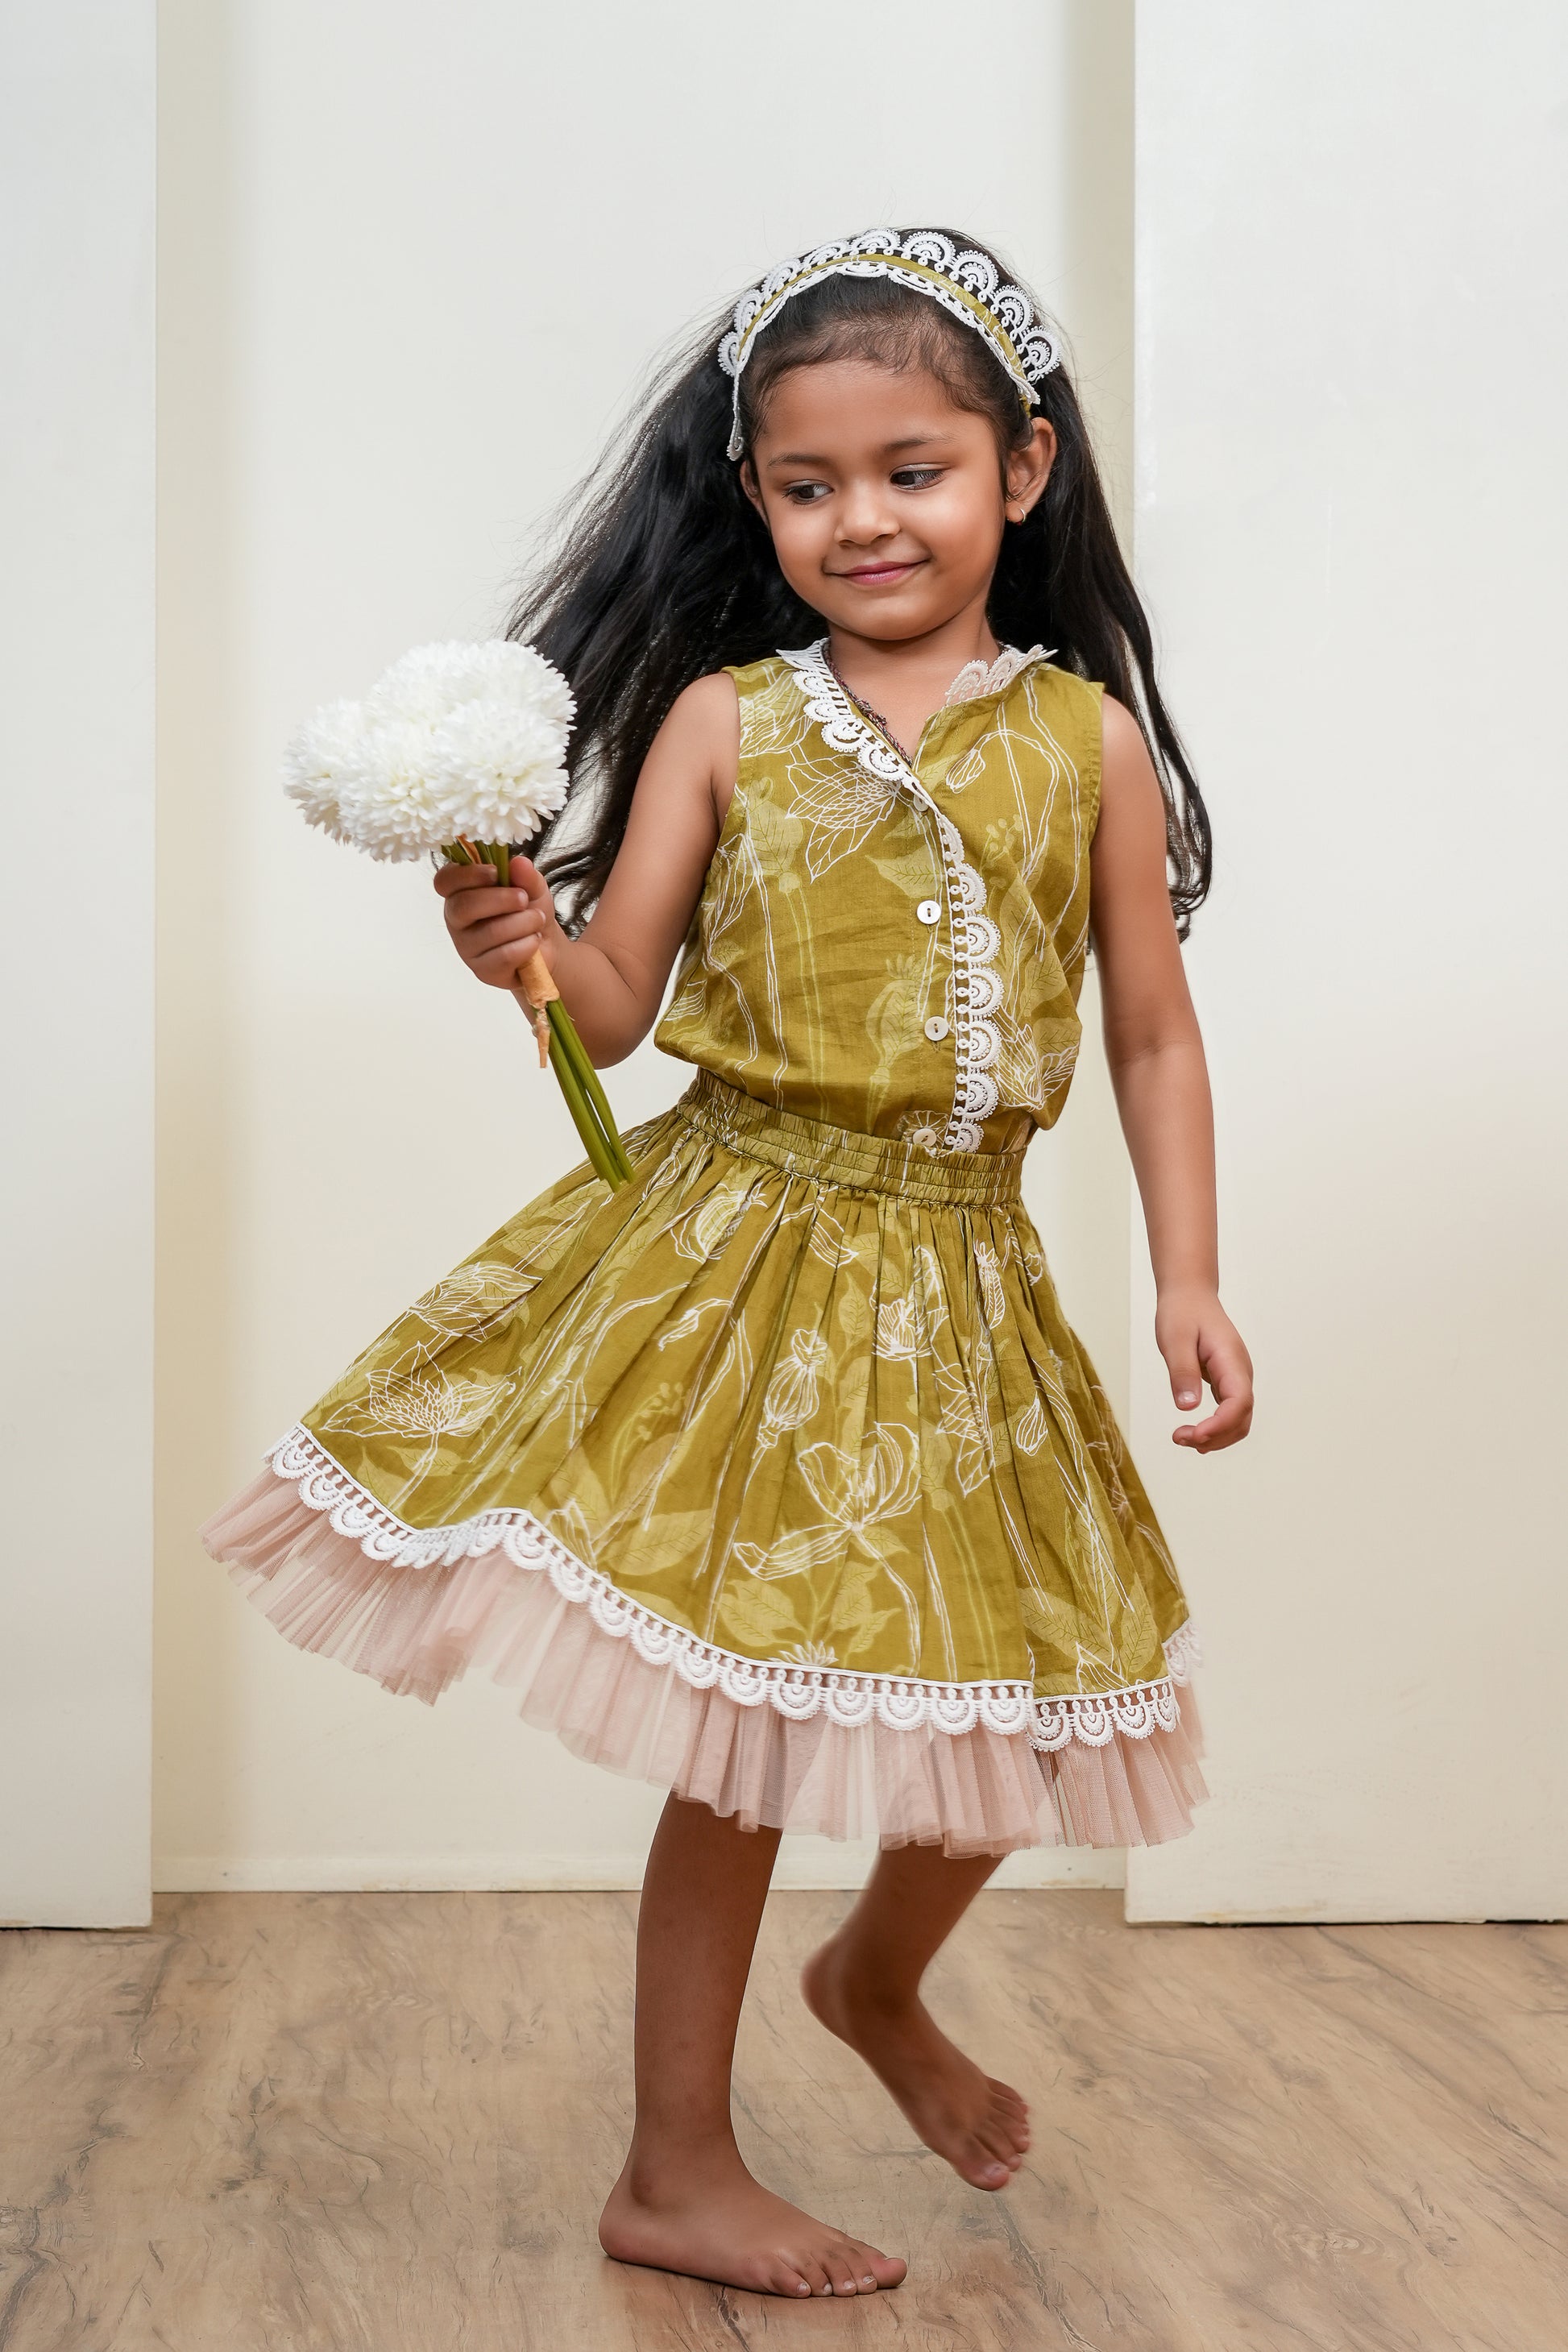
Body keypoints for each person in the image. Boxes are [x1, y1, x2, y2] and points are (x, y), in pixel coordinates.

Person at [202, 226, 1254, 2300]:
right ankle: (672, 2162)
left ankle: (874, 1976)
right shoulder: (725, 721)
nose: (862, 518)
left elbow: (1148, 1029)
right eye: (806, 484)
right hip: (743, 1259)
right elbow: (609, 1015)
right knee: (743, 1732)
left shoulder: (1087, 746)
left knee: (1026, 1695)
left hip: (962, 1280)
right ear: (755, 499)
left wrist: (1186, 1277)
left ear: (1021, 469)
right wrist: (519, 945)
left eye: (912, 469)